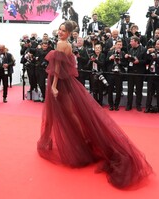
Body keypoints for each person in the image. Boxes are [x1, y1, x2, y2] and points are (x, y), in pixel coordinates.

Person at [37, 20, 152, 189]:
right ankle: (51, 140)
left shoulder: (62, 44)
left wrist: (54, 86)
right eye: (59, 30)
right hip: (64, 82)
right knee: (60, 112)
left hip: (60, 83)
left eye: (63, 30)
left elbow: (58, 68)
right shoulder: (63, 43)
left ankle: (83, 139)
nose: (60, 32)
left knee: (68, 112)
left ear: (69, 33)